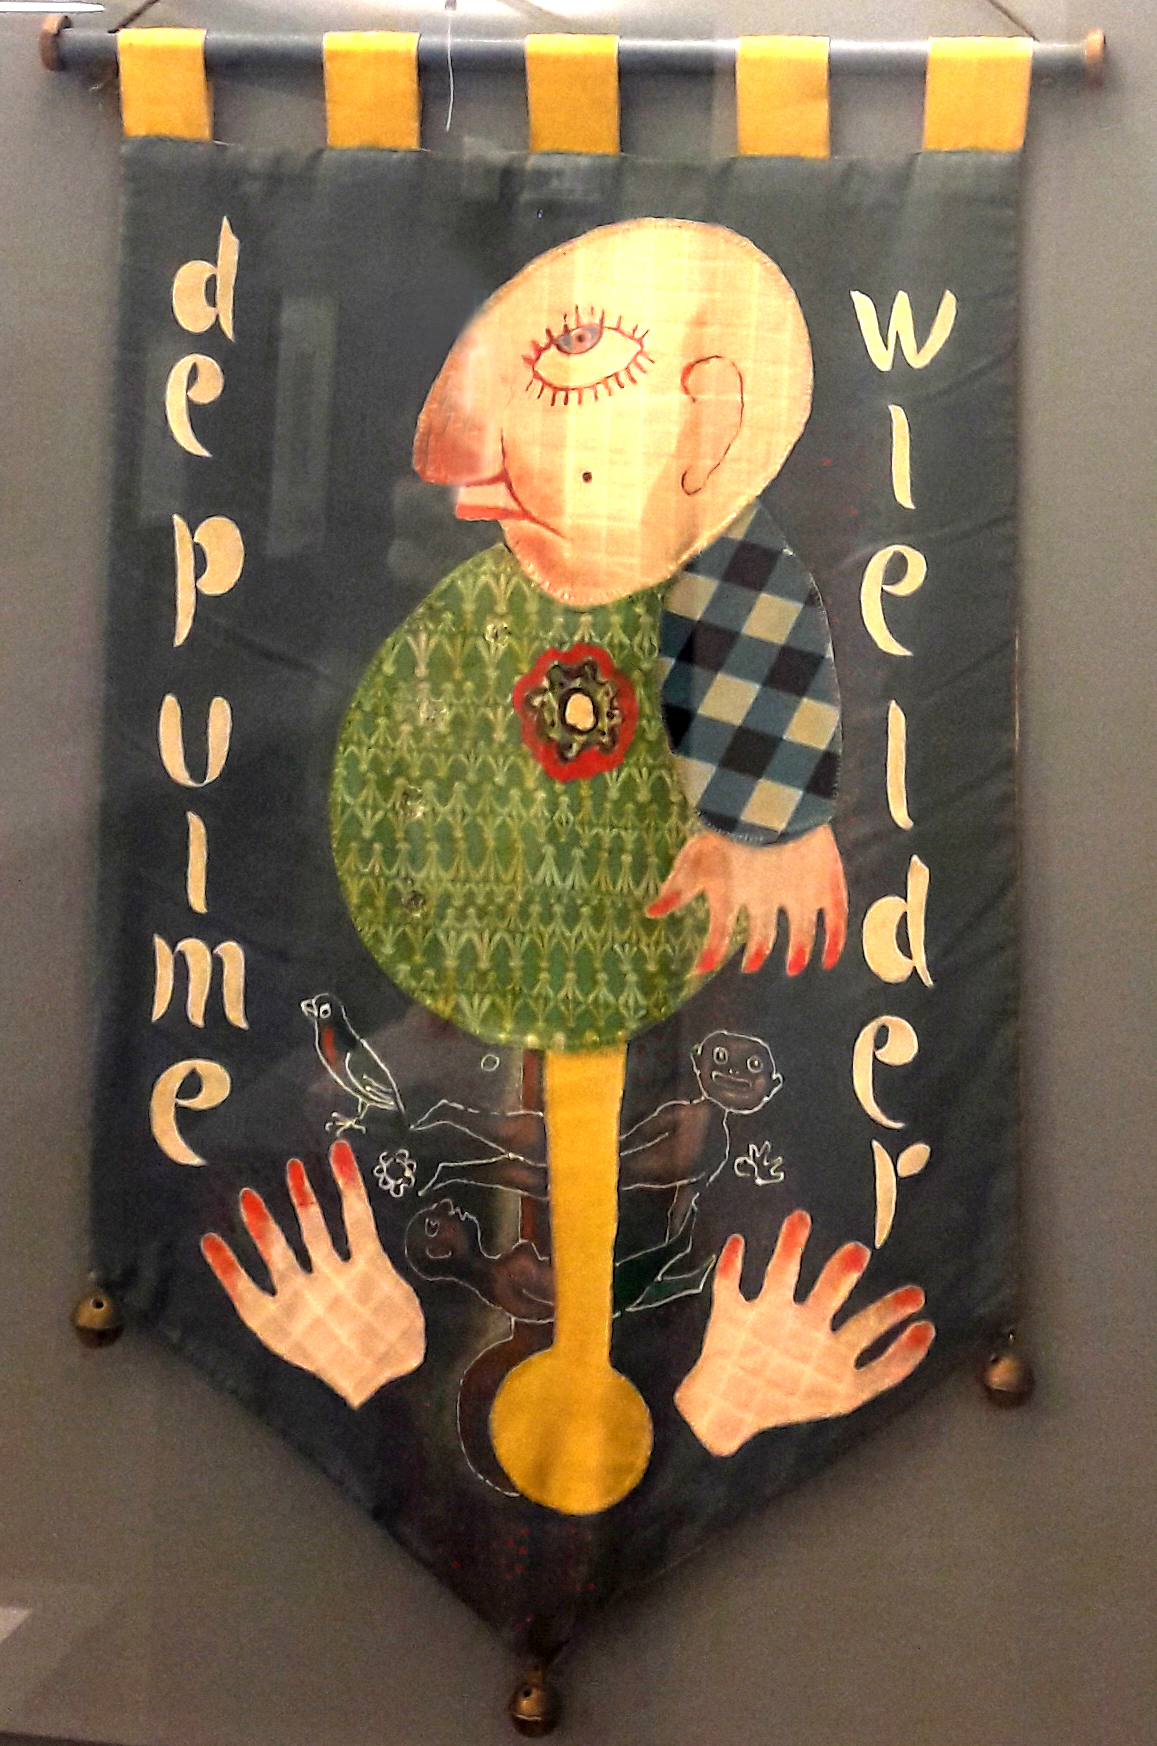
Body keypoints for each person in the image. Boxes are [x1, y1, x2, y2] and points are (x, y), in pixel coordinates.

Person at [206, 220, 933, 1515]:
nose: (462, 476)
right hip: (430, 1151)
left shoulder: (737, 627)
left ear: (712, 421)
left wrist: (710, 1413)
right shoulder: (452, 652)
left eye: (576, 353)